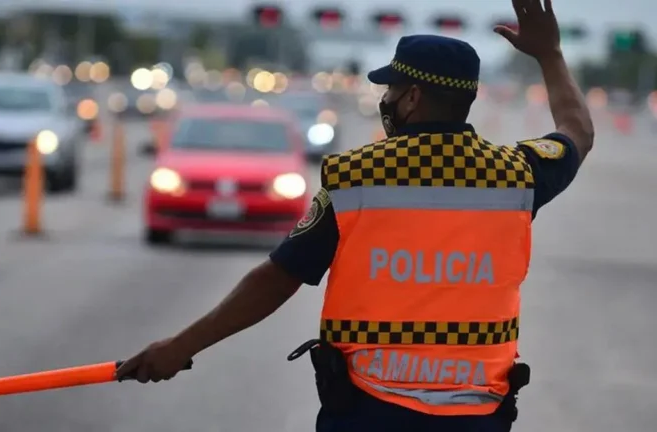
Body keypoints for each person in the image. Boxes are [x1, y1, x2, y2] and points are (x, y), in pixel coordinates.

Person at [115, 0, 594, 430]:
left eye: (391, 89)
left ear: (412, 98)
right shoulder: (517, 175)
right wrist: (550, 55)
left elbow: (276, 280)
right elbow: (576, 130)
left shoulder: (356, 177)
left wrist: (181, 346)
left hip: (371, 410)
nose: (384, 100)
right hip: (478, 414)